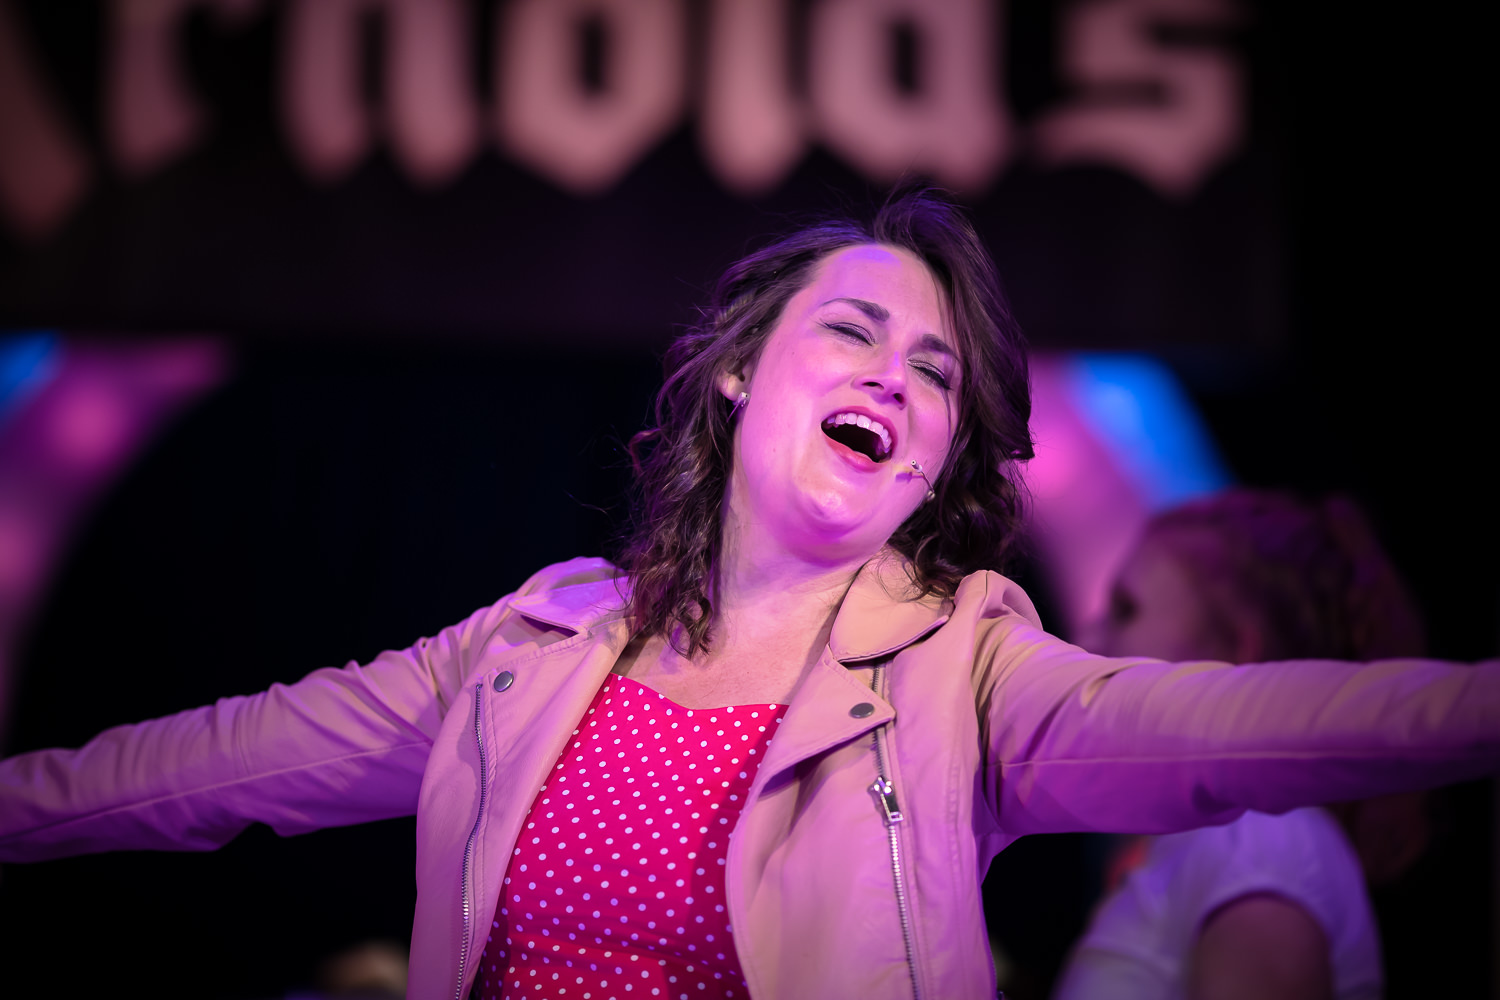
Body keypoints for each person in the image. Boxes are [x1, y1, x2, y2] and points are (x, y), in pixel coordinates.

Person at [0, 191, 1495, 1000]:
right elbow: (211, 766)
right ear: (737, 370)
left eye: (934, 377)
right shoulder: (531, 646)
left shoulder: (965, 673)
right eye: (853, 333)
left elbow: (1251, 726)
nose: (894, 381)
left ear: (934, 465)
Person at [1054, 491, 1432, 1000]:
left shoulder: (1258, 832)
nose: (1088, 642)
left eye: (1125, 610)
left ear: (1233, 655)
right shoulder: (1236, 836)